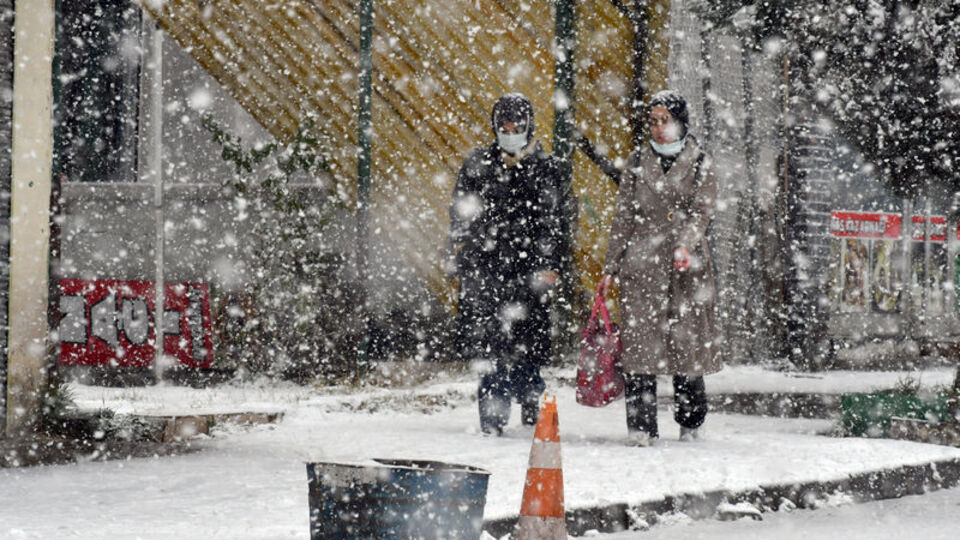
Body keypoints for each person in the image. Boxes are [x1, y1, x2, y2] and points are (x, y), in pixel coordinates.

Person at [598, 90, 721, 447]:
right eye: (653, 121)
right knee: (641, 349)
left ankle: (691, 421)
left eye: (665, 120)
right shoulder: (638, 162)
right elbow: (623, 218)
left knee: (687, 346)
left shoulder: (700, 162)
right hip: (642, 264)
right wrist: (611, 267)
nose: (658, 128)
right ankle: (640, 427)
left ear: (681, 122)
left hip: (687, 264)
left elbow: (702, 210)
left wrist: (685, 242)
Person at [448, 93, 570, 436]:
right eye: (504, 125)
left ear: (529, 125)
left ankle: (532, 410)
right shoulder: (479, 164)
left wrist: (549, 264)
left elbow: (555, 221)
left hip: (529, 273)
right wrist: (458, 251)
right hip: (486, 270)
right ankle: (493, 420)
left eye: (517, 125)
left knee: (527, 349)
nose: (510, 131)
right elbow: (460, 211)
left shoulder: (544, 167)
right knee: (491, 351)